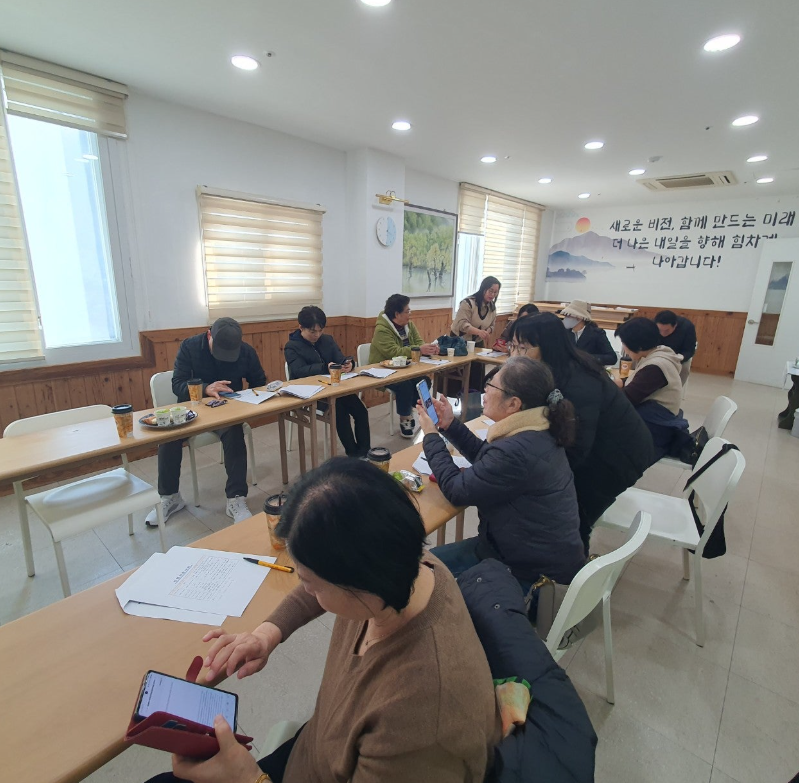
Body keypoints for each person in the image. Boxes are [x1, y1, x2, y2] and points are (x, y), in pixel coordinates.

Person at [147, 458, 501, 783]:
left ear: (357, 579)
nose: (305, 590)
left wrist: (247, 778)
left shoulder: (420, 725)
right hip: (317, 749)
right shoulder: (408, 564)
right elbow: (319, 578)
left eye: (310, 583)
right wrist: (267, 633)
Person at [418, 356, 585, 592]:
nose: (484, 391)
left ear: (513, 404)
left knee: (419, 573)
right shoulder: (537, 429)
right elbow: (488, 459)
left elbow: (456, 490)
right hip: (525, 551)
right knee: (422, 565)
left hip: (528, 573)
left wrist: (431, 436)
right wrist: (449, 424)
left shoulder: (517, 450)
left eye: (491, 386)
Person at [509, 313, 654, 552]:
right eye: (512, 346)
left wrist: (546, 476)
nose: (514, 355)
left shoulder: (578, 381)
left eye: (522, 348)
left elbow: (577, 447)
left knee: (573, 509)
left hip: (617, 456)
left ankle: (573, 560)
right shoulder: (558, 367)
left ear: (548, 347)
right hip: (599, 444)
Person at [145, 317, 265, 526]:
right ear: (209, 335)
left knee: (234, 433)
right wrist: (205, 388)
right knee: (168, 436)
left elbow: (259, 382)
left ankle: (236, 498)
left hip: (227, 411)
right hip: (192, 410)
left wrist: (247, 399)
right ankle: (170, 497)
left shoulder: (245, 351)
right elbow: (177, 383)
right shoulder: (189, 347)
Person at [284, 306, 370, 458]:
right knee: (340, 413)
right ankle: (353, 454)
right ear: (301, 328)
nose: (317, 335)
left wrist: (348, 363)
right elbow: (299, 371)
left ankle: (365, 452)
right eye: (312, 331)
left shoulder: (327, 340)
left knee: (361, 411)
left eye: (320, 330)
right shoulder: (292, 346)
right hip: (310, 393)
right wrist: (325, 367)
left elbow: (340, 358)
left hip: (336, 389)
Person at [614, 317, 691, 462]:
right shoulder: (657, 353)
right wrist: (621, 382)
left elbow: (626, 400)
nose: (624, 349)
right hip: (656, 419)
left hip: (656, 429)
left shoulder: (655, 367)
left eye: (625, 344)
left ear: (639, 346)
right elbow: (640, 383)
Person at [368, 294, 438, 438]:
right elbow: (393, 352)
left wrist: (428, 348)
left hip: (407, 369)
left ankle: (420, 410)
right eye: (407, 311)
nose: (409, 314)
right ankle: (405, 418)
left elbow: (418, 342)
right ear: (396, 314)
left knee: (424, 380)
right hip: (384, 371)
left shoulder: (408, 325)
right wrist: (418, 349)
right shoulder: (382, 329)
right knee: (405, 386)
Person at [560, 299, 617, 365]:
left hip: (589, 369)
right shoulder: (565, 333)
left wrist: (587, 358)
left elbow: (612, 358)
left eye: (568, 316)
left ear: (579, 318)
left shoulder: (597, 334)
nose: (565, 319)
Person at [451, 276, 502, 348]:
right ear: (483, 289)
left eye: (495, 292)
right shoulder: (468, 303)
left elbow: (492, 325)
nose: (493, 295)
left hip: (477, 342)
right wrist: (478, 332)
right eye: (490, 291)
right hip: (458, 340)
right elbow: (462, 324)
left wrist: (486, 332)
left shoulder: (492, 307)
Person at [654, 309, 697, 385]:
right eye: (659, 330)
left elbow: (689, 350)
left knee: (684, 368)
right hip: (655, 354)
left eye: (667, 330)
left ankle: (677, 388)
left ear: (675, 326)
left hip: (677, 356)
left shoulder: (687, 327)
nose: (662, 333)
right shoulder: (651, 325)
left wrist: (681, 357)